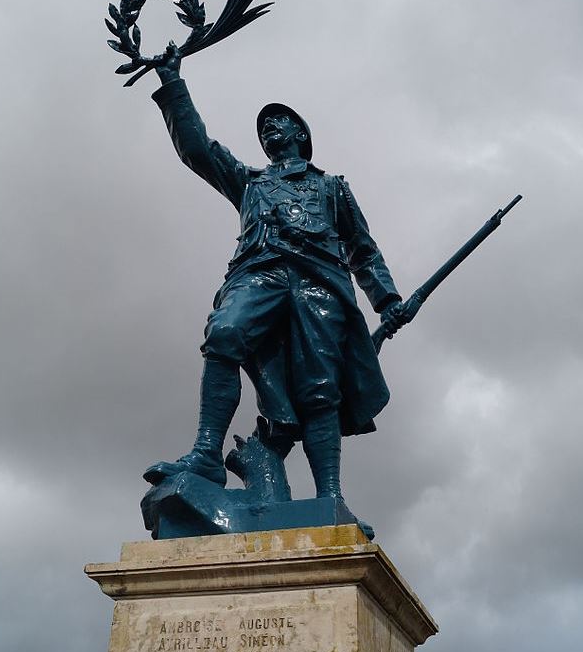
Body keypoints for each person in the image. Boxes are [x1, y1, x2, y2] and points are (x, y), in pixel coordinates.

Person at [143, 42, 410, 499]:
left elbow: (362, 250)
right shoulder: (249, 182)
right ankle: (207, 454)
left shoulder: (331, 187)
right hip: (258, 273)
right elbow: (197, 149)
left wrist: (386, 299)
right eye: (264, 123)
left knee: (320, 391)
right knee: (225, 333)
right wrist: (173, 82)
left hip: (320, 285)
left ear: (301, 134)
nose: (269, 125)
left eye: (280, 119)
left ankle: (330, 498)